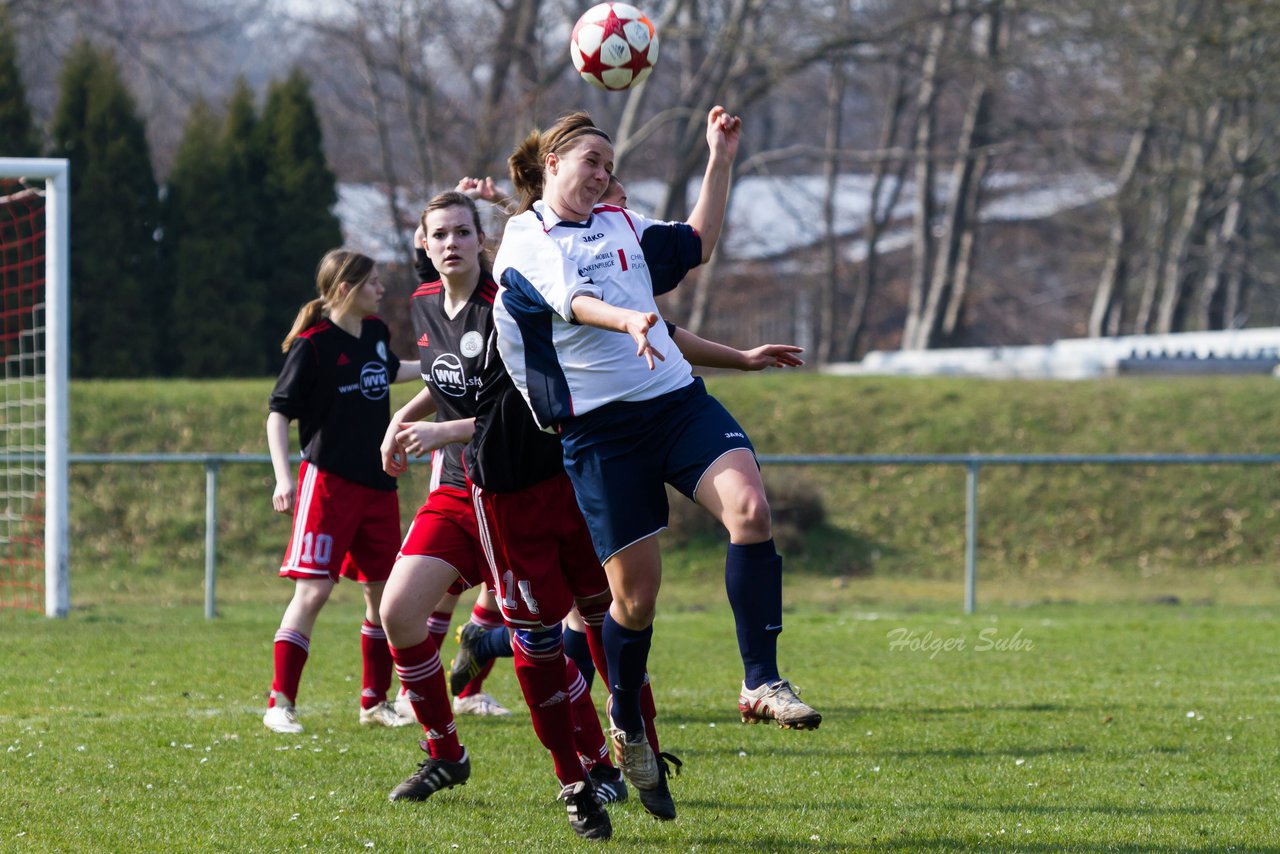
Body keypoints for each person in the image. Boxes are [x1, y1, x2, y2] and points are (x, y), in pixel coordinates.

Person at [491, 105, 822, 805]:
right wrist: (630, 319)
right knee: (634, 602)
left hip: (675, 405)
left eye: (611, 168)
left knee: (751, 509)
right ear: (552, 165)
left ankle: (760, 678)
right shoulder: (525, 240)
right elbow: (573, 301)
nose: (604, 177)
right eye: (592, 164)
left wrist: (720, 159)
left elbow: (696, 243)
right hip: (600, 433)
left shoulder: (620, 226)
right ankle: (626, 722)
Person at [377, 191, 624, 841]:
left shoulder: (504, 305)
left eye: (463, 232)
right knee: (399, 612)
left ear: (480, 241)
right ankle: (444, 752)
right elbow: (445, 376)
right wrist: (404, 419)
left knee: (534, 637)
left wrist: (441, 432)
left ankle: (601, 765)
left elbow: (517, 406)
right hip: (457, 491)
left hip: (513, 493)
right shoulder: (424, 304)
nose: (452, 242)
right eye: (440, 234)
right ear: (423, 246)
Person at [263, 249, 421, 735]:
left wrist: (444, 364)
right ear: (344, 289)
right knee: (314, 591)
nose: (381, 289)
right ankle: (279, 703)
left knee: (381, 594)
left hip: (378, 484)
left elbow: (390, 372)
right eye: (372, 282)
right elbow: (277, 413)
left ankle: (374, 702)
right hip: (327, 484)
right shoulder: (312, 346)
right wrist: (284, 476)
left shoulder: (374, 334)